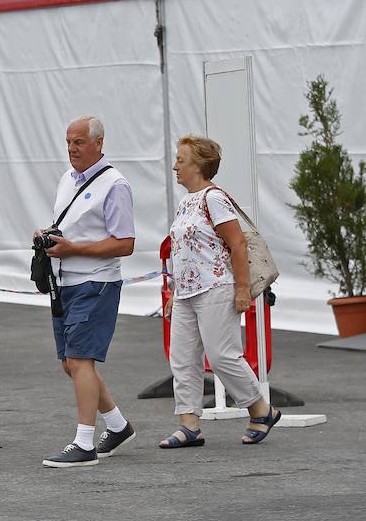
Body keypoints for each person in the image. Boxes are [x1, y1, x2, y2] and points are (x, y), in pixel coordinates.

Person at [161, 136, 281, 447]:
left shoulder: (213, 198)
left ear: (199, 166)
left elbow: (238, 243)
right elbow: (182, 249)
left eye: (181, 160)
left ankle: (261, 409)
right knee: (183, 358)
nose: (175, 165)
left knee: (222, 355)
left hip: (215, 286)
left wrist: (242, 288)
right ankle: (188, 424)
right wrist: (175, 288)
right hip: (187, 291)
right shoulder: (186, 201)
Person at [37, 115, 136, 469]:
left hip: (96, 282)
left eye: (79, 142)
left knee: (80, 361)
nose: (71, 149)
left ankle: (84, 443)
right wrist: (49, 235)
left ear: (99, 143)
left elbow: (125, 244)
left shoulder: (115, 184)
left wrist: (73, 249)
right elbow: (74, 227)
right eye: (68, 142)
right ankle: (118, 426)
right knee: (71, 363)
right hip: (64, 281)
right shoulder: (67, 179)